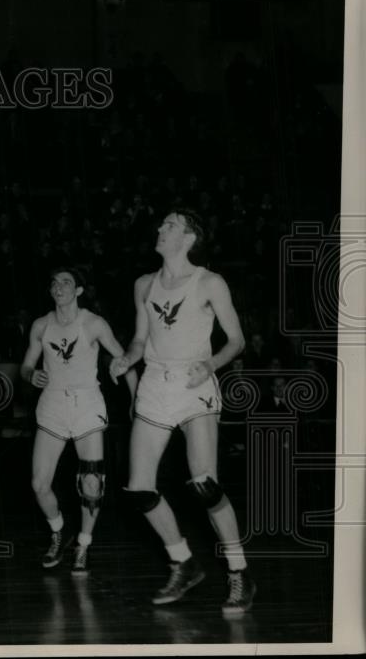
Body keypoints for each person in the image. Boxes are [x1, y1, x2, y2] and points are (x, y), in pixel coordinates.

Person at [110, 209, 255, 615]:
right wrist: (126, 359)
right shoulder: (144, 284)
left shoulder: (209, 283)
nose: (160, 229)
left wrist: (210, 365)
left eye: (170, 226)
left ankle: (239, 571)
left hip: (195, 383)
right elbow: (140, 340)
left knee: (204, 484)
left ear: (189, 238)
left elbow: (237, 341)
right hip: (156, 384)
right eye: (161, 225)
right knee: (139, 488)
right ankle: (183, 562)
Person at [19, 267, 136, 576]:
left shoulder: (94, 324)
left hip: (86, 406)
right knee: (39, 484)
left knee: (91, 483)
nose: (59, 287)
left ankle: (83, 543)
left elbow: (125, 361)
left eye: (66, 282)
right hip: (52, 406)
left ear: (79, 291)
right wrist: (32, 374)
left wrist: (136, 400)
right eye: (54, 282)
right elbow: (26, 367)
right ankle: (58, 532)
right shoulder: (41, 325)